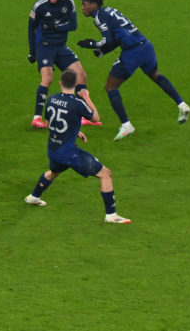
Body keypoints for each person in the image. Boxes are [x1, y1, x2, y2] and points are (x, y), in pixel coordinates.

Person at [77, 0, 190, 141]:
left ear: (93, 4)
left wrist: (92, 44)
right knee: (155, 75)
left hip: (133, 52)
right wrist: (102, 52)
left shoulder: (99, 16)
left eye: (84, 5)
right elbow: (116, 38)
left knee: (110, 86)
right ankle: (182, 105)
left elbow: (107, 39)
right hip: (145, 46)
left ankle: (126, 125)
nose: (82, 8)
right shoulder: (110, 11)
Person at [24, 69, 131, 224]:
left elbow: (49, 124)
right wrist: (87, 97)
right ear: (75, 84)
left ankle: (34, 197)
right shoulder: (77, 103)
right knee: (106, 174)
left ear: (60, 83)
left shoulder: (52, 99)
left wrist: (75, 131)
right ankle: (111, 215)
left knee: (54, 172)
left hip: (53, 149)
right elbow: (95, 118)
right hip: (68, 152)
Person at [27, 0, 99, 128]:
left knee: (81, 75)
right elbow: (30, 29)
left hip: (60, 47)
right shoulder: (39, 6)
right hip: (44, 46)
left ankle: (84, 116)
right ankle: (37, 118)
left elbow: (73, 26)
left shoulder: (68, 2)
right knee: (47, 78)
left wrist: (57, 26)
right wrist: (32, 52)